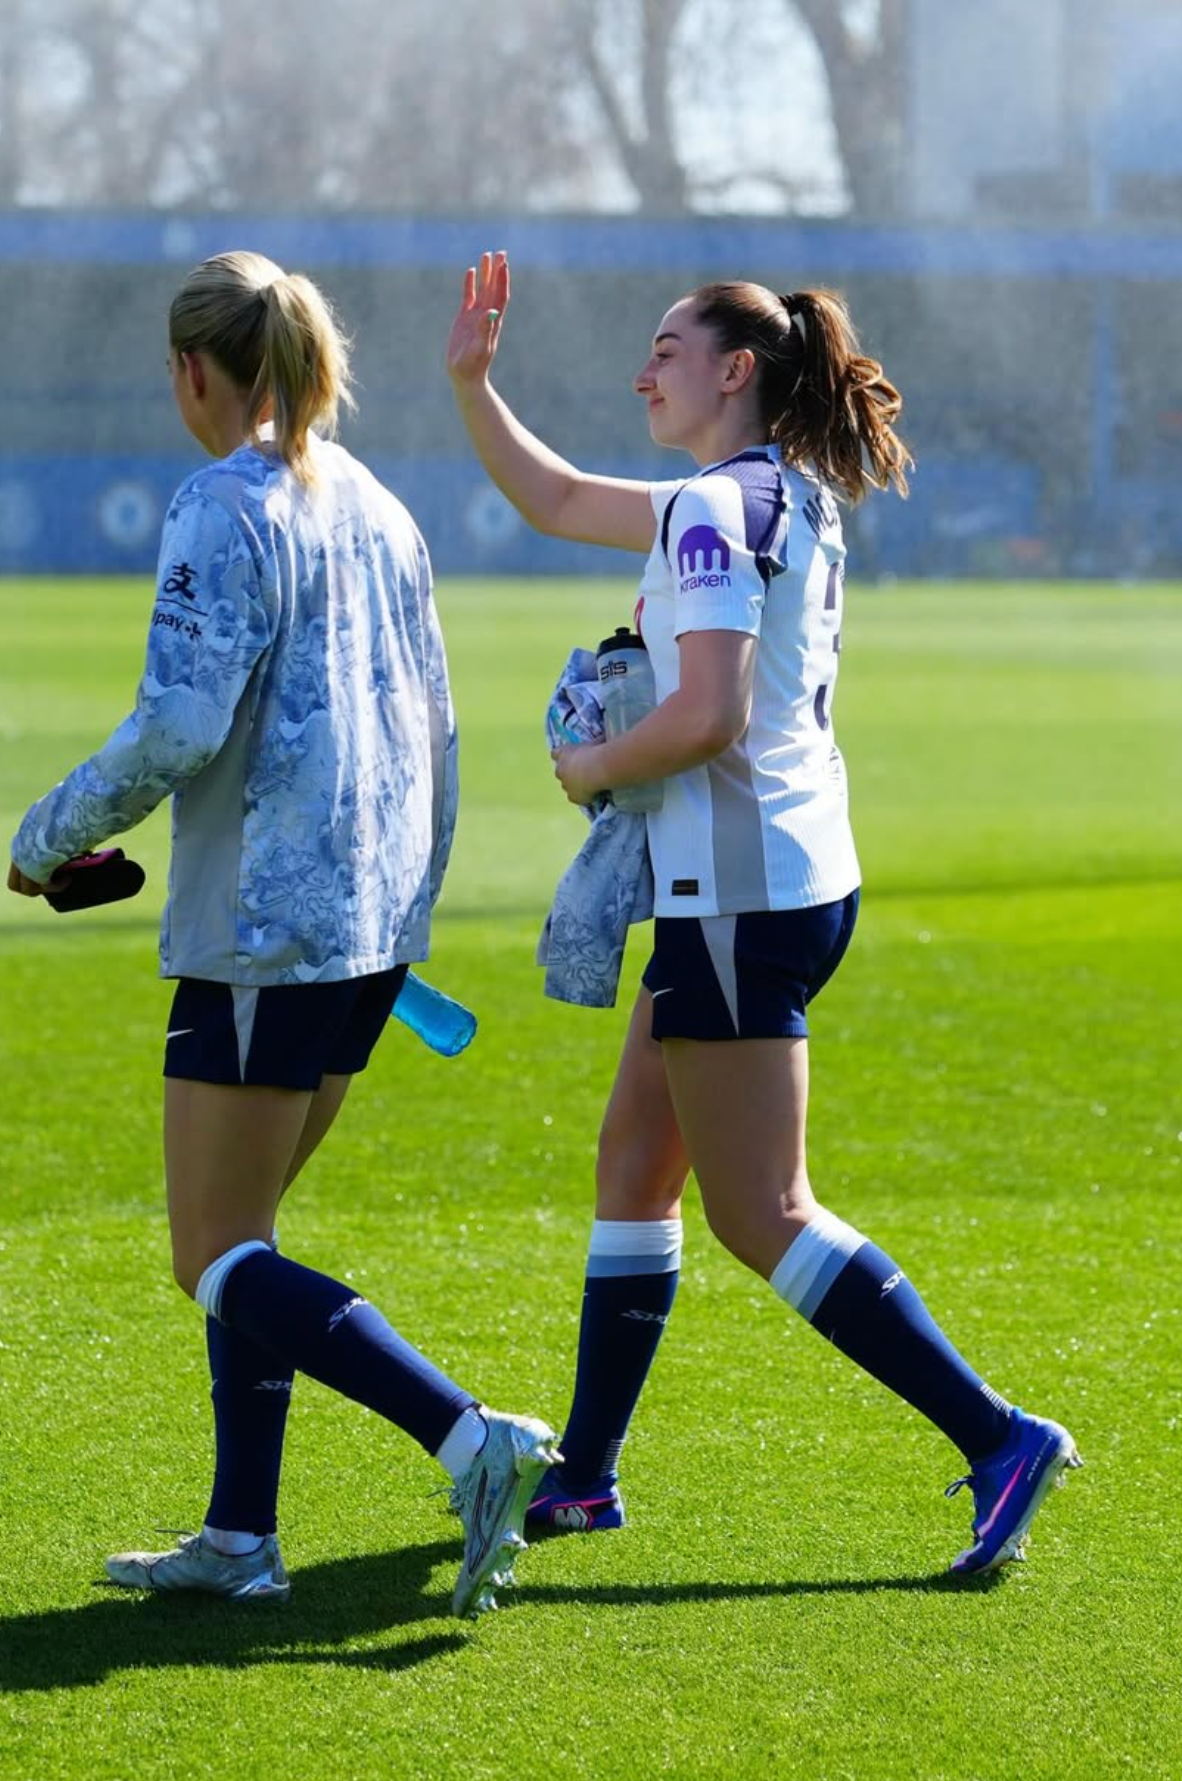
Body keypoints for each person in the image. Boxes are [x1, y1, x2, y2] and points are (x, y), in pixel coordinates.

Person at [445, 250, 1080, 1576]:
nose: (643, 370)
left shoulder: (712, 510)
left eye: (667, 348)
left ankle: (995, 1434)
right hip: (775, 883)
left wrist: (588, 766)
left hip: (738, 898)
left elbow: (710, 715)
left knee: (761, 1212)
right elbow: (554, 496)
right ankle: (585, 1480)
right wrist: (470, 384)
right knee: (633, 1163)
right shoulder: (766, 494)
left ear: (737, 370)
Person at [8, 249, 558, 1618]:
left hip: (260, 934)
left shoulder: (219, 503)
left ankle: (466, 1436)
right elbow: (436, 726)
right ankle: (240, 1537)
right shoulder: (377, 502)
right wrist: (410, 901)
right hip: (366, 933)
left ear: (196, 368)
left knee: (213, 1252)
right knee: (246, 1242)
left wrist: (42, 836)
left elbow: (180, 724)